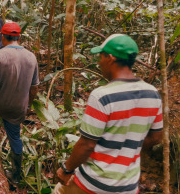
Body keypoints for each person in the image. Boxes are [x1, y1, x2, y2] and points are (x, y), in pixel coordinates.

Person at [55, 34, 163, 194]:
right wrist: (127, 149)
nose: (99, 62)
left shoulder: (102, 95)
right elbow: (156, 137)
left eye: (101, 57)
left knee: (59, 190)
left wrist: (66, 169)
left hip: (95, 183)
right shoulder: (152, 93)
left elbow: (87, 144)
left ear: (111, 58)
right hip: (128, 186)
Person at [0, 22, 39, 186]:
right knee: (15, 138)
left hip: (0, 103)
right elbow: (34, 88)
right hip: (18, 109)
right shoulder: (31, 56)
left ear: (2, 37)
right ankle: (16, 176)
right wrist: (27, 106)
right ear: (19, 37)